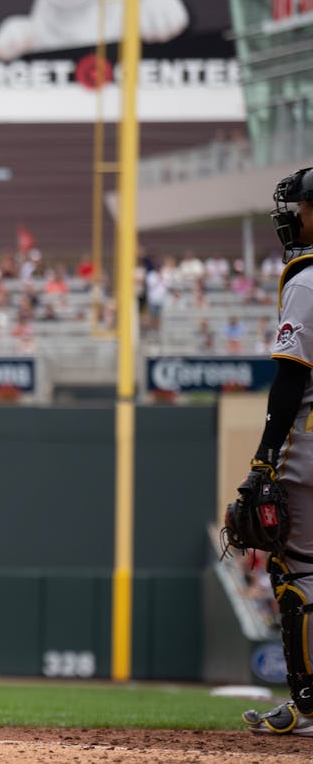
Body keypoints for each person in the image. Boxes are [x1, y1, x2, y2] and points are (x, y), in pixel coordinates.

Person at [234, 166, 313, 737]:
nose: (294, 215)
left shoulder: (307, 278)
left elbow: (290, 376)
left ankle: (308, 706)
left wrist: (264, 455)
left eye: (302, 206)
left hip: (309, 444)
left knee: (297, 569)